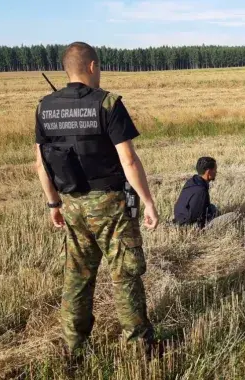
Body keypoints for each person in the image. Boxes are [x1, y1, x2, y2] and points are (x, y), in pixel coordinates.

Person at [34, 42, 158, 355]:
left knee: (77, 277)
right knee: (125, 274)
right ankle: (139, 347)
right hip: (111, 205)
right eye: (99, 67)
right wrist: (148, 201)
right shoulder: (108, 104)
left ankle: (75, 347)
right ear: (92, 66)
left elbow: (41, 163)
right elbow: (128, 159)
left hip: (72, 204)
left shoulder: (44, 107)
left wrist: (53, 204)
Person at [173, 157, 237, 229]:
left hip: (180, 216)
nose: (216, 172)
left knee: (212, 207)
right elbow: (195, 216)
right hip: (190, 225)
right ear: (208, 172)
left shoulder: (192, 181)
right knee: (233, 215)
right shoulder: (201, 191)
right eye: (215, 170)